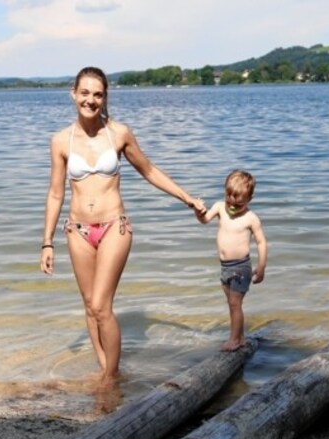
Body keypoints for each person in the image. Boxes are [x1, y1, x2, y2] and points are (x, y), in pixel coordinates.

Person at [40, 66, 206, 386]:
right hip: (77, 231)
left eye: (98, 94)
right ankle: (106, 371)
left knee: (102, 305)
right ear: (73, 94)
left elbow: (149, 171)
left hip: (114, 226)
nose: (91, 100)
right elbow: (55, 193)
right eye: (84, 93)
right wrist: (46, 242)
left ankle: (110, 377)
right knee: (90, 307)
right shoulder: (60, 141)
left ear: (105, 97)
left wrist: (187, 198)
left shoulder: (119, 133)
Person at [196, 170, 267, 352]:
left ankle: (234, 340)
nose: (232, 205)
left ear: (249, 199)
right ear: (225, 193)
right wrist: (199, 211)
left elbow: (261, 242)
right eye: (229, 199)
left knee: (235, 304)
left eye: (239, 203)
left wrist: (261, 267)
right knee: (233, 305)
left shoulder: (250, 218)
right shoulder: (220, 207)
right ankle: (240, 337)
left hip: (241, 268)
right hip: (225, 267)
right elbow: (204, 220)